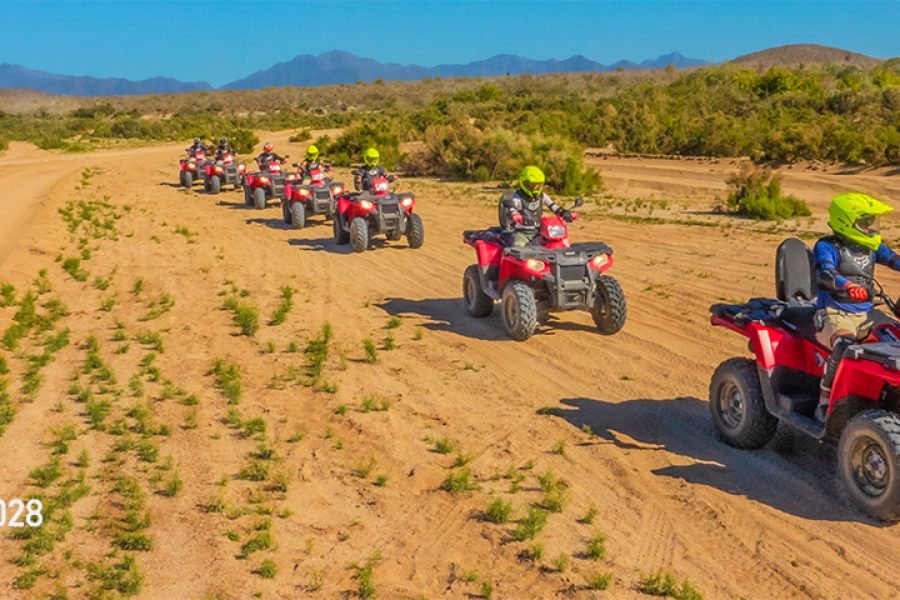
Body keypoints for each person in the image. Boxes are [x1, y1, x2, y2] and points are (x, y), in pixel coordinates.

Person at [814, 192, 900, 421]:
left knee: (896, 340)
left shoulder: (872, 246)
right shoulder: (826, 246)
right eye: (865, 222)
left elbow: (894, 260)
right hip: (834, 313)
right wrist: (847, 285)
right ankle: (824, 400)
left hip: (867, 314)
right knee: (845, 346)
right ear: (846, 221)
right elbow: (825, 273)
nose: (872, 227)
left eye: (872, 221)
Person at [498, 165, 572, 247]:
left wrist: (564, 212)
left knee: (554, 245)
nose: (535, 188)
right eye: (532, 185)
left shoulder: (542, 196)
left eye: (538, 185)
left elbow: (552, 206)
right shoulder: (518, 197)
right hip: (521, 233)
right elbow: (512, 207)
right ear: (524, 183)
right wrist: (514, 215)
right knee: (518, 250)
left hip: (538, 232)